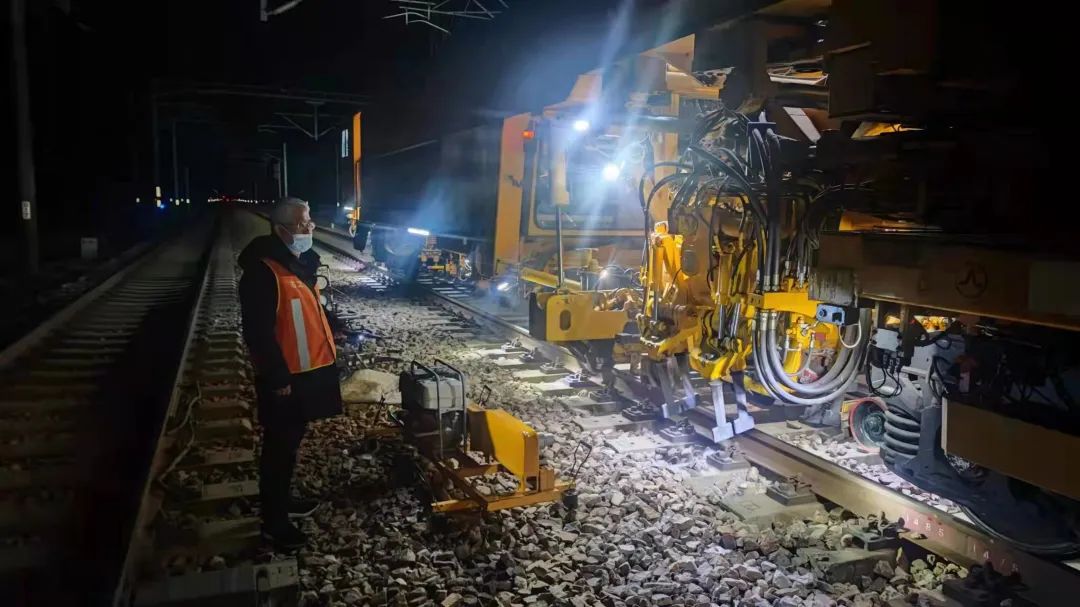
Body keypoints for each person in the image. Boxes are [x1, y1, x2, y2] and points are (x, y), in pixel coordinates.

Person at [238, 197, 343, 549]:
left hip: (304, 375)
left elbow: (305, 310)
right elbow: (258, 332)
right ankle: (274, 523)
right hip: (284, 380)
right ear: (281, 229)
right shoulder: (263, 271)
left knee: (290, 445)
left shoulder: (296, 263)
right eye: (302, 223)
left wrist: (334, 326)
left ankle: (283, 503)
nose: (309, 228)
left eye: (310, 220)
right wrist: (276, 378)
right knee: (278, 451)